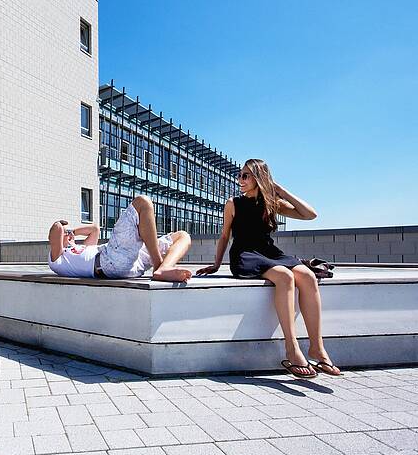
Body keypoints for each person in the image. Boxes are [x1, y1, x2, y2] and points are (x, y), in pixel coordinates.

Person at [197, 158, 341, 378]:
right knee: (284, 276)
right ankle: (292, 349)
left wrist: (282, 191)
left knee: (308, 276)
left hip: (270, 252)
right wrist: (216, 264)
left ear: (259, 177)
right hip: (245, 254)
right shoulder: (233, 203)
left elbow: (310, 214)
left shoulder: (272, 202)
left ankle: (317, 347)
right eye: (240, 175)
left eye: (246, 175)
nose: (240, 179)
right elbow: (225, 235)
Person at [48, 195, 192, 282]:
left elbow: (94, 229)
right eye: (65, 234)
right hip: (109, 261)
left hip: (132, 263)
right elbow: (56, 230)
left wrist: (73, 231)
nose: (68, 235)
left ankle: (164, 268)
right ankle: (158, 264)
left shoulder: (82, 249)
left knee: (183, 236)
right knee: (143, 203)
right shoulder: (59, 259)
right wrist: (62, 227)